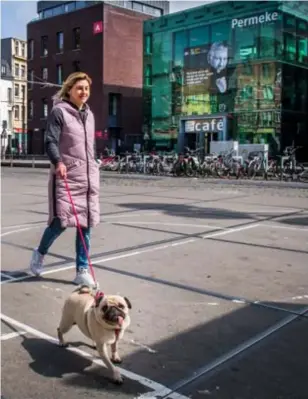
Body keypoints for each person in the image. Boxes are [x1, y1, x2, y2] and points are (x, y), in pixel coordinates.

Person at [29, 72, 100, 287]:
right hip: (67, 176)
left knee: (85, 225)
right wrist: (58, 162)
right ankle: (39, 253)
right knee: (60, 222)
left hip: (88, 178)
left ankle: (81, 269)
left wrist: (94, 162)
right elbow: (50, 140)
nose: (83, 92)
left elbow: (91, 146)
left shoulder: (90, 115)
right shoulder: (59, 112)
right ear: (69, 89)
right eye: (79, 88)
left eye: (86, 88)